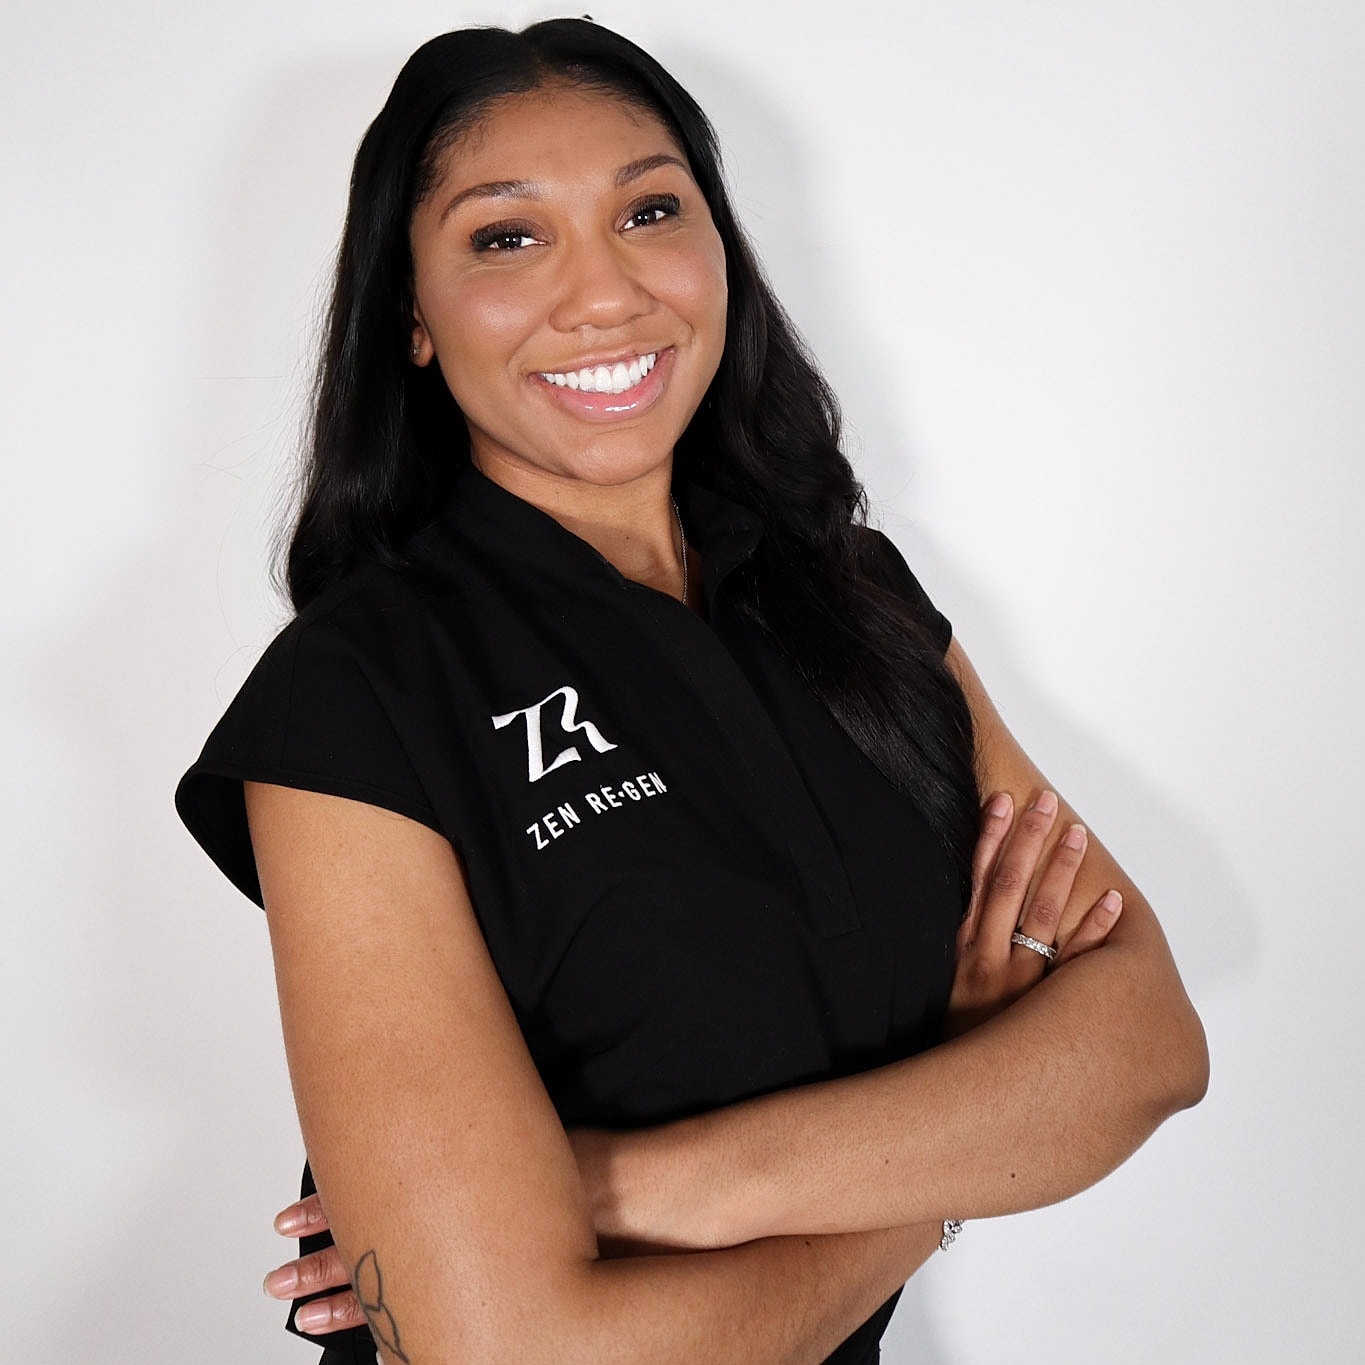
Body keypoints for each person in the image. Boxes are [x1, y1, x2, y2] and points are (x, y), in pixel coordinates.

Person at [175, 18, 1208, 1365]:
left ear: (719, 246)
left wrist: (627, 1185)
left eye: (649, 210)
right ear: (411, 317)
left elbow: (1145, 1043)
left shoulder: (859, 603)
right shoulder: (356, 696)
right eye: (506, 236)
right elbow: (512, 1351)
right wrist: (958, 1127)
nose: (601, 293)